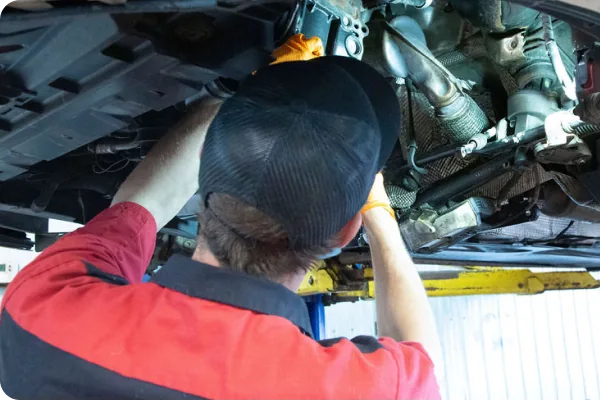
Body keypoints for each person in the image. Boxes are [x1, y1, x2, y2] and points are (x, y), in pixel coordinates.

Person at [0, 35, 442, 399]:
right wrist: (378, 214)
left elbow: (140, 207)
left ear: (202, 189)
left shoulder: (41, 308)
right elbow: (416, 355)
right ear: (346, 230)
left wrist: (245, 99)